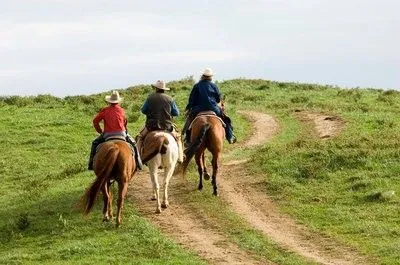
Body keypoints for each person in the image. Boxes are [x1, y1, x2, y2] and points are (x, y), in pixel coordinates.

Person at [88, 90, 143, 170]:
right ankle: (139, 163)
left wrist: (100, 131)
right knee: (134, 144)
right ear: (118, 101)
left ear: (109, 101)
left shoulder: (105, 110)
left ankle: (91, 164)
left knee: (94, 143)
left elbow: (95, 121)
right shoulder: (122, 110)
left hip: (107, 134)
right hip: (121, 134)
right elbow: (125, 122)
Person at [183, 68, 236, 145]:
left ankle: (187, 139)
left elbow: (191, 100)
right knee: (225, 119)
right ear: (210, 77)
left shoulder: (196, 86)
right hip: (213, 108)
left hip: (198, 109)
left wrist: (190, 108)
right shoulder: (214, 86)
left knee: (190, 120)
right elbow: (218, 99)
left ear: (202, 76)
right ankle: (230, 136)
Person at [136, 80, 183, 161]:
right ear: (164, 89)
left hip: (151, 126)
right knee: (178, 138)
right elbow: (176, 113)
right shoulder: (170, 99)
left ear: (156, 88)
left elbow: (143, 110)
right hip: (167, 127)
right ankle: (180, 157)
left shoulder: (150, 98)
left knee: (140, 137)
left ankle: (138, 159)